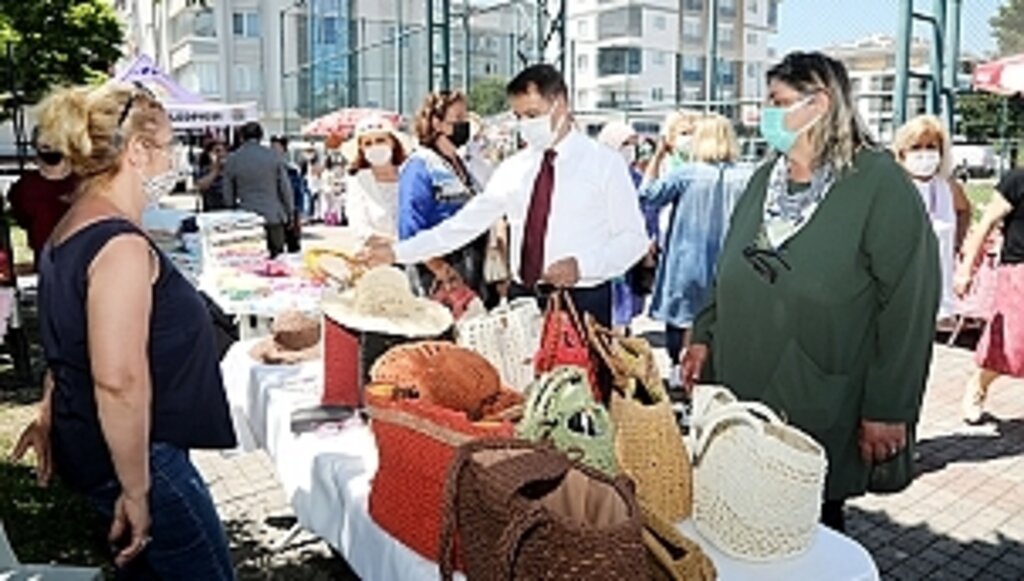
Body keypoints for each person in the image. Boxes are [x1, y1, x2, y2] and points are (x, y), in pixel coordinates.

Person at [681, 52, 940, 532]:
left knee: (806, 526)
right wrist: (703, 333)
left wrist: (889, 407)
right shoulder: (766, 178)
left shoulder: (877, 184)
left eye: (777, 101)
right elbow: (730, 267)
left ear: (819, 103)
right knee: (744, 518)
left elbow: (910, 301)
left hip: (820, 393)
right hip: (744, 387)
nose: (766, 114)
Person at [11, 82, 236, 578]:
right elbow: (118, 380)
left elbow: (68, 346)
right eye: (170, 145)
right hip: (141, 459)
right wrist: (136, 490)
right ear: (137, 151)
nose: (175, 159)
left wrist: (49, 414)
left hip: (114, 450)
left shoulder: (74, 227)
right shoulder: (119, 246)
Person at [360, 64, 648, 360]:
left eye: (533, 115)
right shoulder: (514, 169)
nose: (525, 124)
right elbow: (462, 227)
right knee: (520, 395)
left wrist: (584, 266)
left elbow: (634, 239)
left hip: (582, 303)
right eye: (519, 116)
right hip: (522, 302)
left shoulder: (604, 164)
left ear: (560, 104)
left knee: (582, 399)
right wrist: (398, 252)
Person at [638, 114, 752, 387]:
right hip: (729, 263)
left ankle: (681, 373)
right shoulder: (747, 176)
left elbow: (648, 194)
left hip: (686, 261)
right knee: (719, 321)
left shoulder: (687, 174)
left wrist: (658, 154)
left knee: (682, 320)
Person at [391, 90, 490, 300]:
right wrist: (440, 269)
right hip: (436, 272)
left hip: (469, 266)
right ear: (437, 123)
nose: (465, 125)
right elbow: (410, 226)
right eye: (459, 118)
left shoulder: (461, 164)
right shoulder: (420, 166)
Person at [954, 167, 1024, 423]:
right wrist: (965, 270)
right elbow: (984, 225)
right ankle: (979, 384)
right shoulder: (1017, 180)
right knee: (1012, 345)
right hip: (1018, 271)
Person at [892, 115, 972, 321]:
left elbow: (964, 210)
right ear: (902, 152)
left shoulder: (948, 187)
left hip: (937, 285)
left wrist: (957, 243)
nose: (924, 153)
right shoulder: (893, 187)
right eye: (916, 147)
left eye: (931, 147)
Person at [597, 120, 659, 332]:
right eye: (626, 144)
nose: (631, 151)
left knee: (627, 299)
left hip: (630, 250)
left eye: (633, 145)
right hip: (603, 250)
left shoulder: (636, 178)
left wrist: (649, 239)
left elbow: (648, 211)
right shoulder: (595, 176)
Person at [8, 128, 78, 270]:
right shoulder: (24, 188)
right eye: (46, 145)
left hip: (84, 261)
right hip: (47, 266)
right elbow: (23, 220)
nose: (51, 148)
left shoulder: (84, 183)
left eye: (56, 143)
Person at [223, 121, 295, 257]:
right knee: (277, 259)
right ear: (261, 136)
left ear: (241, 137)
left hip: (246, 218)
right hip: (273, 215)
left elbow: (228, 195)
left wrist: (232, 210)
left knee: (250, 260)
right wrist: (290, 213)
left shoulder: (232, 160)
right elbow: (285, 189)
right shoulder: (273, 157)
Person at [341, 117, 409, 241]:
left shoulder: (409, 174)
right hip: (374, 255)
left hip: (414, 254)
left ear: (393, 142)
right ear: (361, 149)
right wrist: (393, 243)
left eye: (380, 140)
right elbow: (358, 225)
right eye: (368, 143)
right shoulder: (358, 181)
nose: (375, 146)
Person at [270, 136, 308, 253]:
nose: (273, 152)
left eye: (276, 148)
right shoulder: (267, 170)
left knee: (293, 246)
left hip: (290, 211)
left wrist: (297, 215)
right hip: (274, 213)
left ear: (284, 150)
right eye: (271, 149)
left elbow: (298, 194)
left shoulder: (292, 170)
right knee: (276, 249)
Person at [195, 139, 229, 212]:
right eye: (217, 151)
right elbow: (201, 186)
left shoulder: (230, 170)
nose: (221, 155)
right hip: (211, 210)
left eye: (224, 151)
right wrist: (216, 170)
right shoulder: (205, 170)